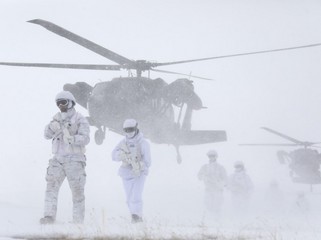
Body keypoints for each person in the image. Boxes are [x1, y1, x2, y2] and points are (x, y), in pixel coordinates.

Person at [40, 91, 90, 224]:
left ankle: (78, 221)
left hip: (75, 159)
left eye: (64, 102)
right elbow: (46, 135)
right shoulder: (56, 118)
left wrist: (72, 138)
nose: (61, 105)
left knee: (77, 191)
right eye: (59, 103)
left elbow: (86, 138)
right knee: (51, 187)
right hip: (57, 159)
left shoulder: (80, 119)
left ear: (71, 102)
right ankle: (49, 216)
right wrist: (52, 127)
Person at [112, 119, 151, 223]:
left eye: (131, 129)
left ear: (136, 128)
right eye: (126, 130)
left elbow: (148, 162)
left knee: (136, 196)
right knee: (129, 198)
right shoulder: (123, 142)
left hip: (139, 173)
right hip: (126, 173)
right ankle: (134, 217)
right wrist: (122, 156)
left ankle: (137, 216)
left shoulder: (143, 143)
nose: (129, 132)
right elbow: (113, 156)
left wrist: (139, 165)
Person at [197, 150, 227, 215]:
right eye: (210, 156)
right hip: (208, 189)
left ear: (215, 157)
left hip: (217, 189)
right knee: (208, 205)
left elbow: (225, 179)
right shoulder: (205, 167)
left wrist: (220, 184)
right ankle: (209, 219)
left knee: (217, 205)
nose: (211, 157)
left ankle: (217, 219)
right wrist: (204, 177)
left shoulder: (220, 167)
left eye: (213, 156)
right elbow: (199, 176)